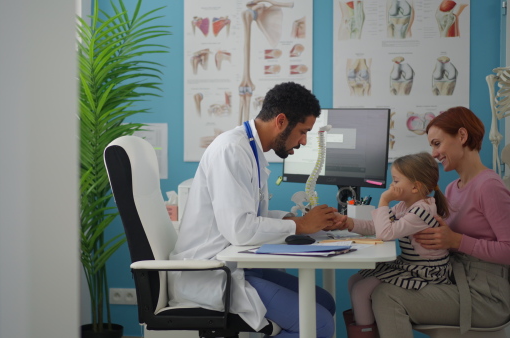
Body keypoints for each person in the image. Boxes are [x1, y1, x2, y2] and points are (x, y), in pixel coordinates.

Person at [168, 82, 339, 338]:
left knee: (325, 301)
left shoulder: (251, 148)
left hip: (236, 263)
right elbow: (240, 229)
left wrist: (296, 219)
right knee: (319, 323)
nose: (304, 141)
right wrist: (301, 226)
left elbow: (249, 215)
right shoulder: (232, 149)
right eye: (303, 132)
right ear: (281, 121)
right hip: (211, 272)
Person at [370, 106, 510, 337]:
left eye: (437, 143)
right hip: (457, 279)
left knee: (387, 296)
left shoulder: (489, 186)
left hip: (486, 296)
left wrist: (456, 241)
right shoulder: (452, 189)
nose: (433, 154)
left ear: (462, 136)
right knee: (376, 282)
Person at [338, 152, 452, 337]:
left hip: (426, 270)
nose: (392, 186)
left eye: (396, 181)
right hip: (410, 264)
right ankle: (369, 326)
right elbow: (377, 226)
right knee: (354, 281)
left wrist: (383, 200)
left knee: (360, 291)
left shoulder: (422, 211)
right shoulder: (404, 205)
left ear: (415, 187)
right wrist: (348, 222)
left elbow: (386, 234)